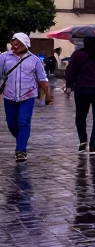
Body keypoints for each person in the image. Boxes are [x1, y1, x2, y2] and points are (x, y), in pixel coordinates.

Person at [2, 33, 52, 162]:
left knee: (23, 122)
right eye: (14, 43)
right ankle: (22, 140)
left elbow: (42, 78)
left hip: (28, 96)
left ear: (25, 45)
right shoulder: (4, 58)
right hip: (9, 96)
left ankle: (21, 150)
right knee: (12, 124)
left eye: (18, 43)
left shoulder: (35, 60)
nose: (15, 46)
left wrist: (48, 95)